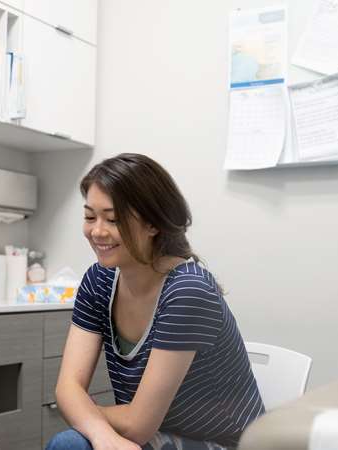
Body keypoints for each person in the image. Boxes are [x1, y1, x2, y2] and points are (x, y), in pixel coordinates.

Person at [47, 154, 265, 450]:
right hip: (155, 437)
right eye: (89, 217)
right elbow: (68, 387)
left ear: (153, 224)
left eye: (114, 219)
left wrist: (83, 414)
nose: (97, 231)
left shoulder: (188, 291)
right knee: (73, 443)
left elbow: (138, 424)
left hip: (222, 444)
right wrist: (101, 433)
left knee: (70, 444)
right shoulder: (100, 280)